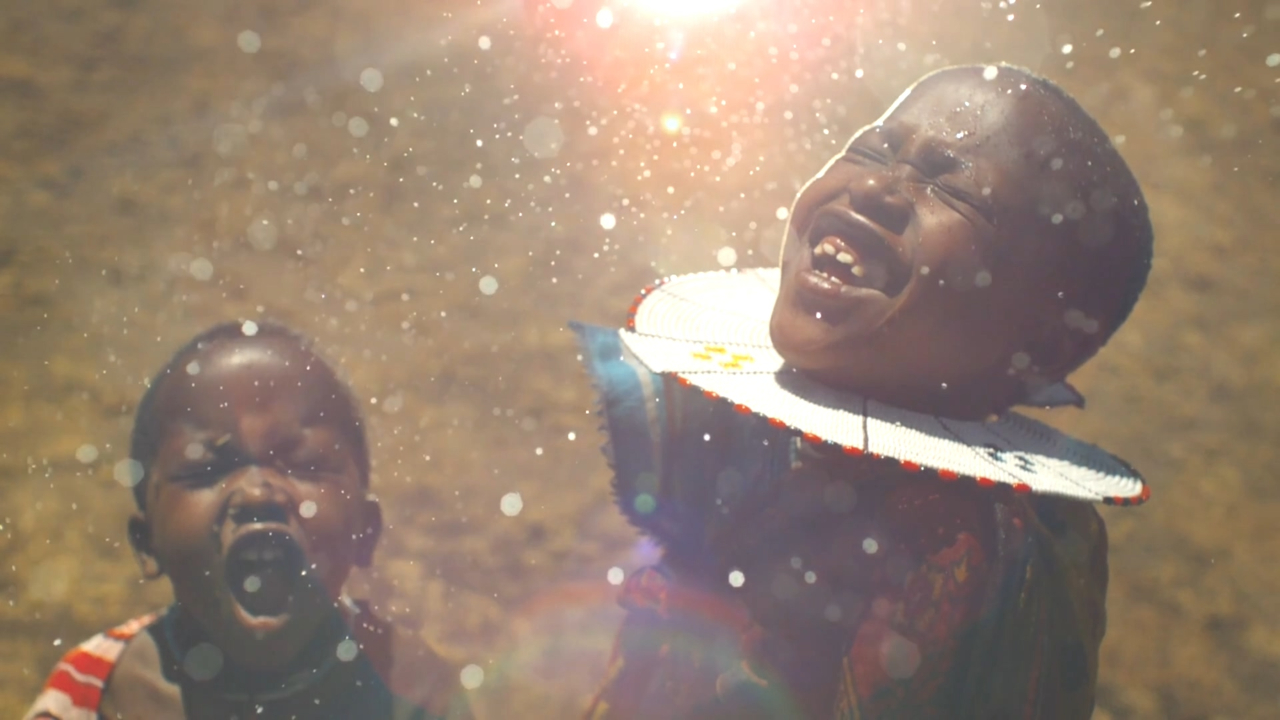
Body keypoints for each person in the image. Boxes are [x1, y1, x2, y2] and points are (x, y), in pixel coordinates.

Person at [574, 63, 1153, 719]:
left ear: (1045, 348)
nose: (875, 185)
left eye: (949, 187)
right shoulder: (757, 446)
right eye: (871, 148)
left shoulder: (956, 547)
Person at [25, 321, 472, 720]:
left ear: (366, 532)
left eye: (304, 464)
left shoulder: (412, 692)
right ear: (147, 544)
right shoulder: (92, 692)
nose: (259, 493)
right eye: (207, 470)